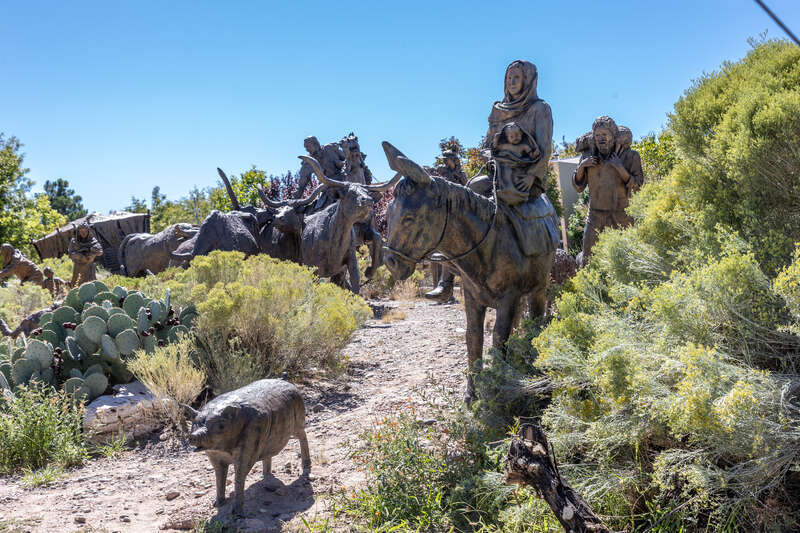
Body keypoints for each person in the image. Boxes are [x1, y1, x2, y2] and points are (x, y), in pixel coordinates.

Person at [572, 116, 644, 264]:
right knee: (588, 261)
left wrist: (620, 168)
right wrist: (582, 167)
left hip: (622, 216)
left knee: (627, 262)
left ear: (613, 136)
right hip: (595, 217)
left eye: (605, 134)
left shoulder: (630, 156)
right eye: (597, 135)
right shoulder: (588, 156)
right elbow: (578, 187)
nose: (601, 138)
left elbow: (638, 187)